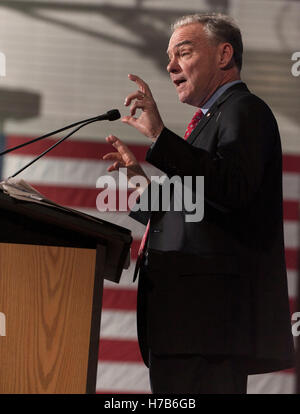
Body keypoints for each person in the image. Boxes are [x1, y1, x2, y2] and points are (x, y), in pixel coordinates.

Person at [103, 13, 295, 394]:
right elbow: (200, 203)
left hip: (206, 326)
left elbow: (232, 189)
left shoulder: (245, 110)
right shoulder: (211, 122)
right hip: (186, 326)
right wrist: (142, 185)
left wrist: (160, 135)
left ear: (224, 55)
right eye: (169, 56)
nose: (171, 65)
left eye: (183, 52)